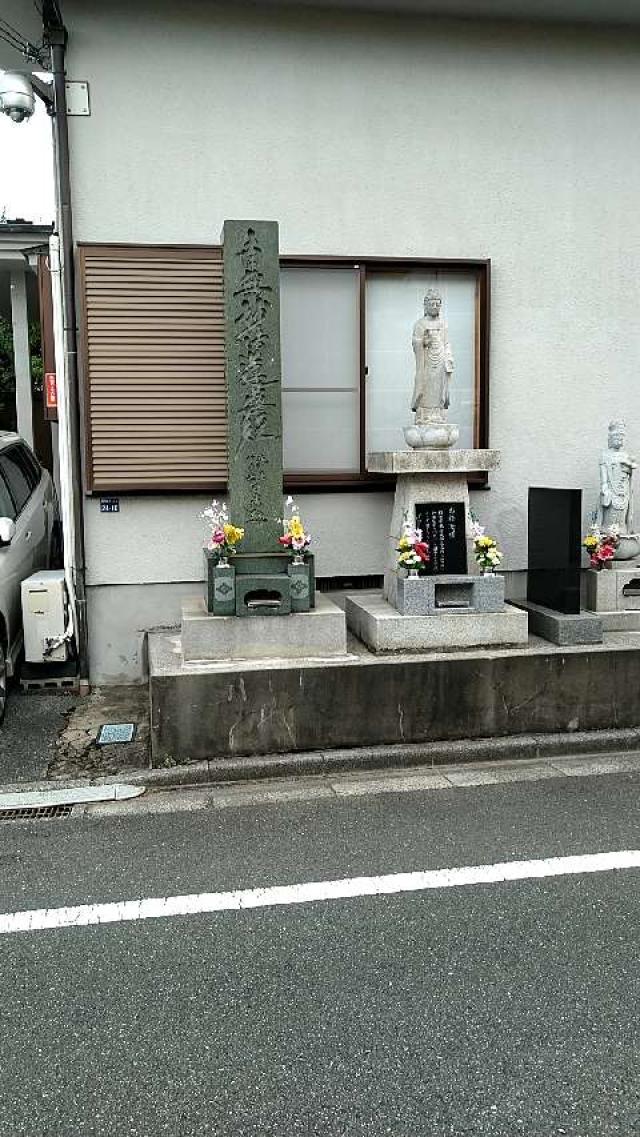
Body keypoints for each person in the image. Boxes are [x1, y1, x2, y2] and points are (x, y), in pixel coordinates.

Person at [410, 288, 454, 416]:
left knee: (439, 387)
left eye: (437, 304)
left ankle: (438, 412)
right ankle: (424, 412)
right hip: (426, 361)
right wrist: (423, 341)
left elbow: (446, 343)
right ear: (426, 305)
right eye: (432, 304)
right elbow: (415, 342)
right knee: (426, 385)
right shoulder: (420, 324)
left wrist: (449, 357)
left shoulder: (443, 324)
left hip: (440, 359)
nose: (434, 307)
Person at [597, 420, 636, 533]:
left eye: (622, 438)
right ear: (611, 439)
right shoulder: (605, 456)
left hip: (623, 492)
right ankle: (607, 538)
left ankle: (622, 534)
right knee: (609, 524)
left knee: (621, 523)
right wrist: (605, 489)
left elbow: (630, 475)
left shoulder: (626, 456)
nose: (620, 440)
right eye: (617, 438)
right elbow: (603, 478)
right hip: (611, 491)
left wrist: (630, 470)